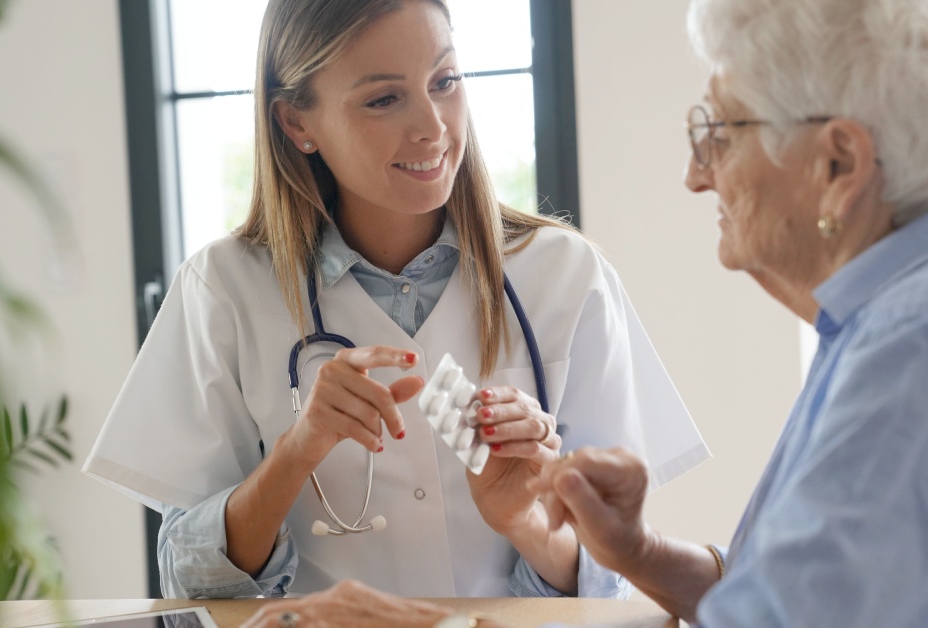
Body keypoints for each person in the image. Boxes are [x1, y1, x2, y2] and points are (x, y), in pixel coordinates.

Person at [236, 0, 928, 625]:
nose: (697, 173)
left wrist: (442, 627)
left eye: (718, 130)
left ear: (838, 165)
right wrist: (640, 555)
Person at [83, 0, 708, 601]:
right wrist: (298, 451)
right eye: (384, 98)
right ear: (297, 123)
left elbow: (612, 571)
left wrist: (525, 521)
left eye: (445, 80)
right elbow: (188, 578)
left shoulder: (567, 276)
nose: (433, 127)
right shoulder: (223, 289)